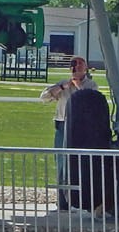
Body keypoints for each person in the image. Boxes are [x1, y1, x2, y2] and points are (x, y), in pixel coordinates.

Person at [39, 55, 97, 210]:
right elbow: (44, 97)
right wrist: (62, 87)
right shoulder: (63, 84)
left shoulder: (91, 84)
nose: (75, 67)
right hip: (62, 126)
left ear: (85, 68)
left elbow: (92, 101)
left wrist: (78, 86)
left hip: (81, 128)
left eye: (79, 64)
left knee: (80, 164)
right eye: (73, 64)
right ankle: (63, 202)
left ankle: (83, 200)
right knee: (61, 164)